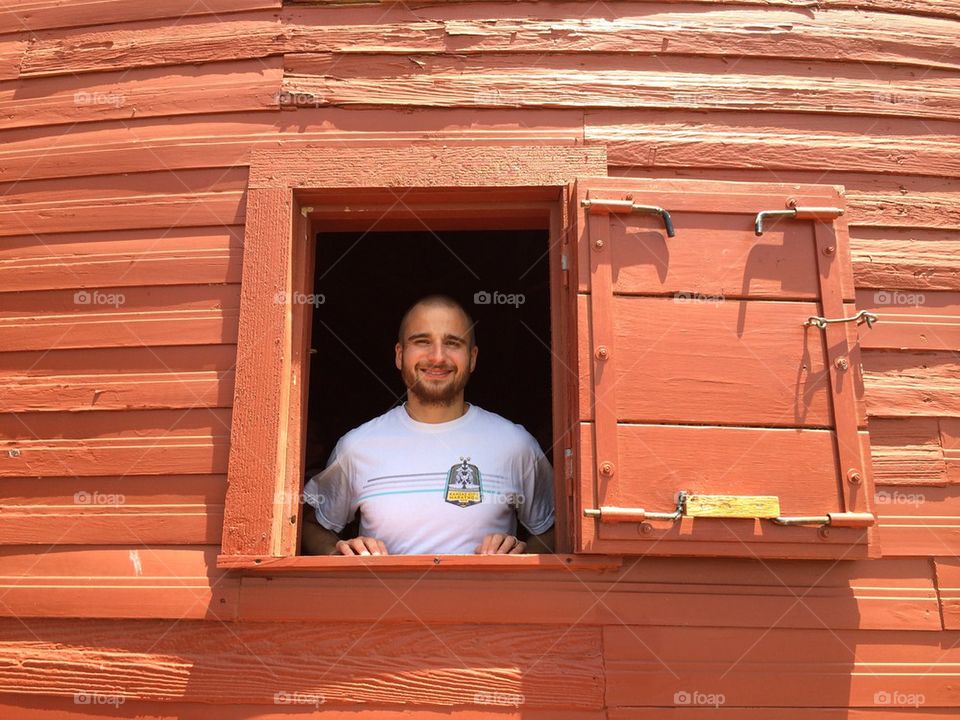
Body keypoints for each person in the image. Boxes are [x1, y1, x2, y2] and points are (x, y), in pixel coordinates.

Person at [301, 294, 555, 556]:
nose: (437, 357)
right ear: (400, 355)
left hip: (487, 598)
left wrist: (522, 554)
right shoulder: (357, 447)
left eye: (452, 343)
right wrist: (338, 553)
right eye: (422, 342)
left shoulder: (515, 444)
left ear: (473, 357)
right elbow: (309, 524)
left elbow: (557, 528)